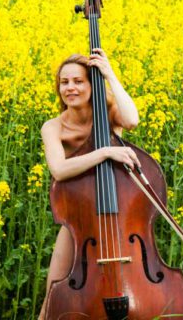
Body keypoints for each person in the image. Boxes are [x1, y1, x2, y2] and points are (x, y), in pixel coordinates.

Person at [38, 48, 141, 319]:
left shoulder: (108, 111)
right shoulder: (53, 127)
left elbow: (132, 120)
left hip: (121, 219)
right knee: (53, 298)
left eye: (78, 81)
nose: (70, 88)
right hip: (78, 219)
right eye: (64, 82)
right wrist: (105, 151)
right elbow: (59, 170)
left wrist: (108, 74)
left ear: (91, 84)